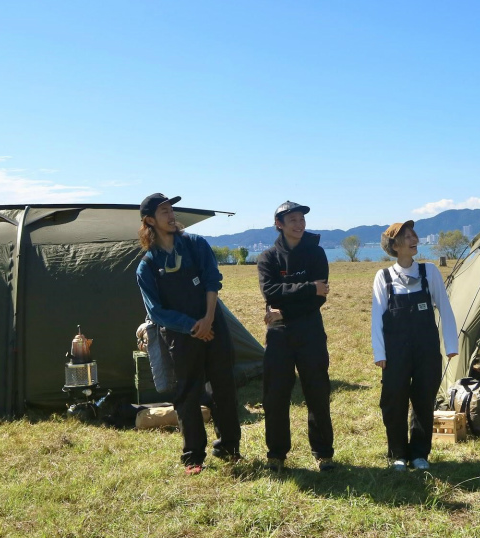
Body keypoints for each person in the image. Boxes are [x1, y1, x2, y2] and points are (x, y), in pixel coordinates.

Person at [135, 193, 241, 474]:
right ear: (149, 221)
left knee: (224, 387)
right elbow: (156, 311)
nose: (171, 215)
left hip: (213, 326)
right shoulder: (147, 265)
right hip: (180, 336)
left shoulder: (195, 245)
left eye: (171, 209)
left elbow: (212, 281)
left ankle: (229, 447)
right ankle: (194, 456)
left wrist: (207, 320)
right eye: (163, 211)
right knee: (187, 394)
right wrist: (193, 327)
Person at [370, 220, 459, 472]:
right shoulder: (383, 276)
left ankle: (420, 453)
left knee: (423, 399)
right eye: (407, 237)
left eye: (414, 235)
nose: (414, 239)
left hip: (426, 349)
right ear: (395, 246)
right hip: (395, 351)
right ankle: (397, 453)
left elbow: (445, 309)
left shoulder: (429, 272)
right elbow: (377, 316)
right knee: (393, 400)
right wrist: (380, 353)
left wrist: (450, 344)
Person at [256, 201, 336, 472]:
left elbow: (320, 297)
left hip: (310, 329)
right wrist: (308, 287)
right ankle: (276, 454)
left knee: (317, 391)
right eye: (292, 219)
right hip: (279, 335)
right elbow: (270, 293)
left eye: (301, 218)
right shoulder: (268, 258)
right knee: (275, 395)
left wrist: (283, 310)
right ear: (279, 224)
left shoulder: (316, 253)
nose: (299, 224)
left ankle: (323, 453)